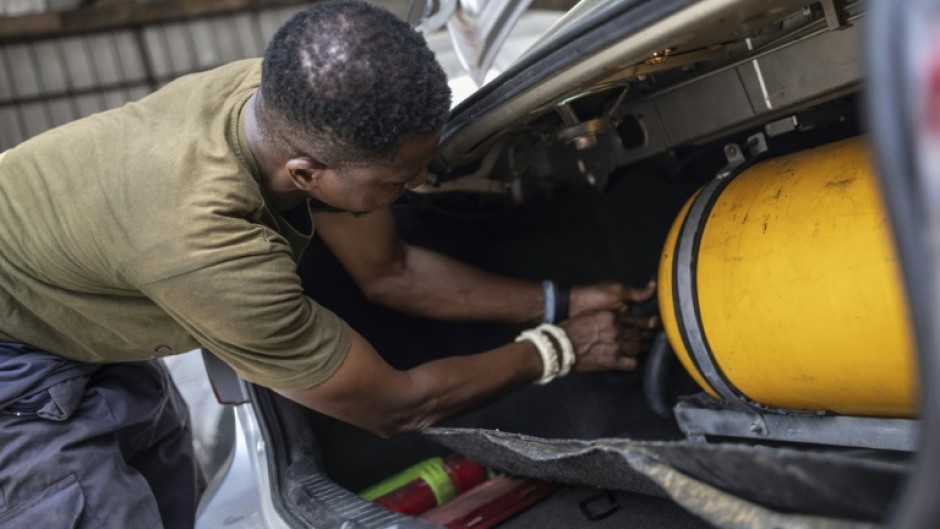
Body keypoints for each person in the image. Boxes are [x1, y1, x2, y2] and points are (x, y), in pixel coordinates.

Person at [0, 1, 657, 528]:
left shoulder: (296, 104)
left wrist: (560, 301)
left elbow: (391, 271)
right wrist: (558, 349)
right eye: (402, 177)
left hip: (64, 295)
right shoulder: (210, 249)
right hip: (13, 362)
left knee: (166, 483)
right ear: (307, 175)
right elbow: (396, 409)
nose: (424, 181)